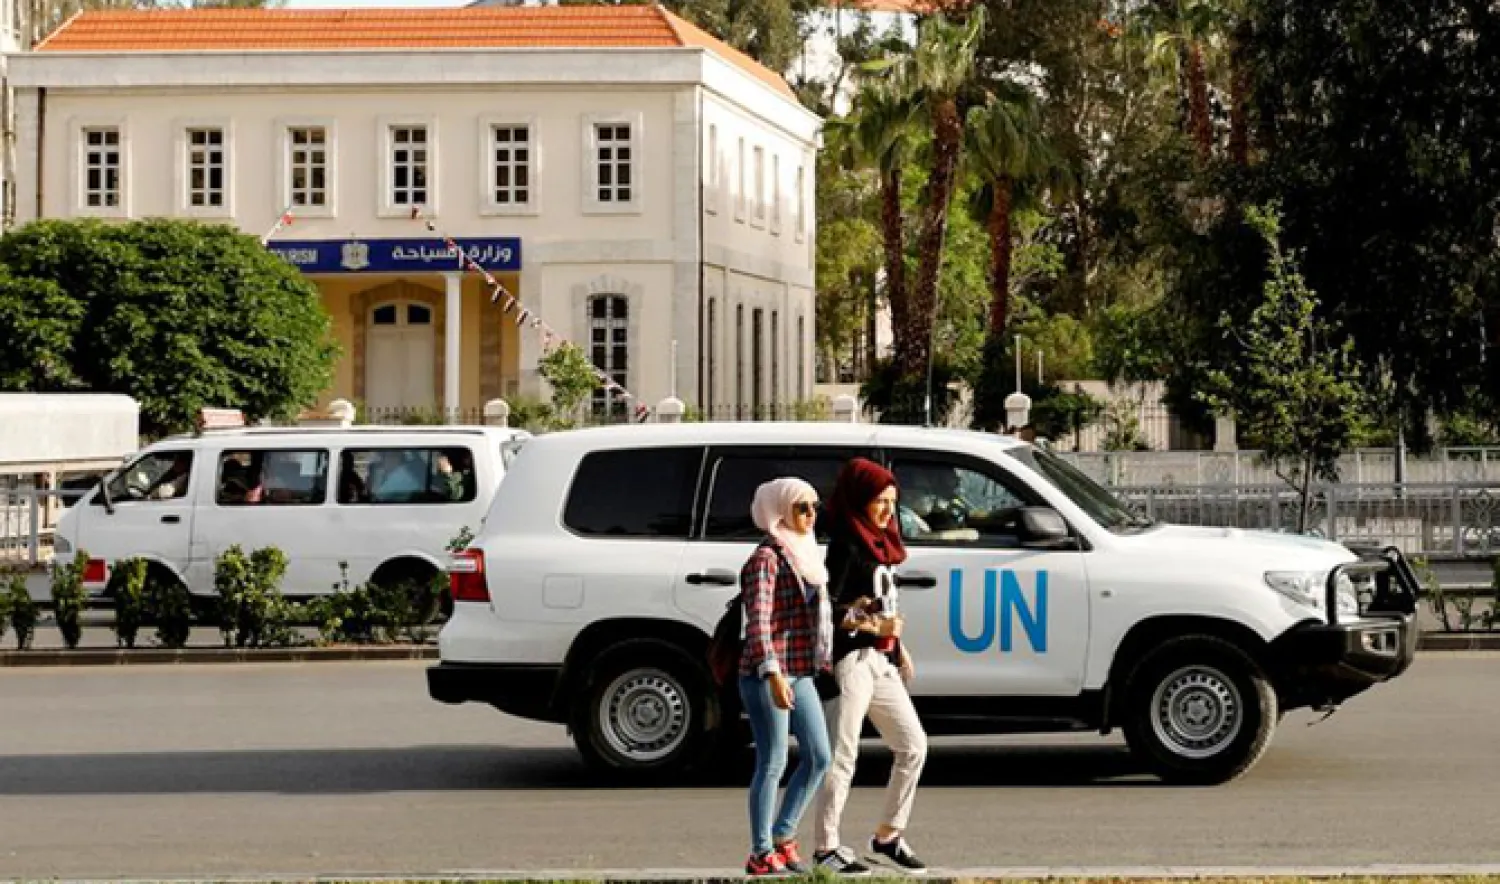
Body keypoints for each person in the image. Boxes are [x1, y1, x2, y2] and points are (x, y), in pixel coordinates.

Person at [813, 457, 929, 875]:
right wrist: (876, 625)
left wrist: (896, 645)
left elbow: (883, 602)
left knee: (913, 746)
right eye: (880, 501)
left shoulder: (880, 540)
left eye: (892, 502)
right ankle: (826, 845)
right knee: (842, 756)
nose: (887, 510)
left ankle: (888, 836)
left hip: (879, 658)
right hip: (850, 662)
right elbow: (830, 609)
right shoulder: (846, 540)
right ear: (860, 499)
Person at [738, 477, 835, 877]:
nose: (811, 515)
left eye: (815, 507)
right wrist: (772, 673)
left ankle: (783, 834)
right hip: (768, 672)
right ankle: (760, 852)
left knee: (819, 757)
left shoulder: (806, 553)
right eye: (802, 508)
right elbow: (758, 622)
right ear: (780, 511)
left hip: (801, 670)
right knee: (773, 759)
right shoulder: (767, 558)